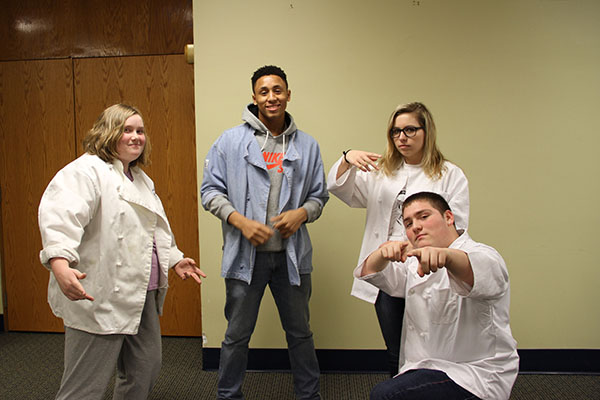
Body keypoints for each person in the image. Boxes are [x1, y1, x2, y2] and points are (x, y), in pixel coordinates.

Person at [38, 103, 206, 400]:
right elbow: (61, 219)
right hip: (98, 294)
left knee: (144, 370)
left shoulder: (140, 178)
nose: (135, 137)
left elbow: (151, 230)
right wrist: (60, 264)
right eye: (126, 130)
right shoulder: (84, 172)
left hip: (142, 292)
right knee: (85, 385)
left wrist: (175, 259)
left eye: (140, 131)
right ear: (107, 132)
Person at [201, 65, 328, 400]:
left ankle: (309, 395)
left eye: (278, 90)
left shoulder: (308, 145)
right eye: (264, 91)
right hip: (246, 259)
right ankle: (228, 396)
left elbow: (319, 196)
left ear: (288, 94)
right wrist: (240, 222)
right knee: (236, 336)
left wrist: (302, 213)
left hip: (291, 259)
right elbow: (210, 192)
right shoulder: (229, 142)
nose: (271, 97)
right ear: (254, 97)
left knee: (300, 333)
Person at [327, 102, 469, 376]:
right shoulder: (382, 170)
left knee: (429, 351)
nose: (401, 137)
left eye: (409, 130)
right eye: (395, 132)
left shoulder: (450, 175)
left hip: (428, 270)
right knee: (395, 351)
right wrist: (347, 158)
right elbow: (342, 189)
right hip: (387, 268)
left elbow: (457, 226)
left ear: (426, 132)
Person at [356, 191, 519, 400]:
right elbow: (371, 272)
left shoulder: (484, 255)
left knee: (386, 395)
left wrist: (446, 256)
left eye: (424, 217)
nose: (415, 226)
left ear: (449, 217)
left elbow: (475, 269)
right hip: (425, 368)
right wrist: (381, 253)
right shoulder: (414, 263)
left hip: (475, 375)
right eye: (408, 223)